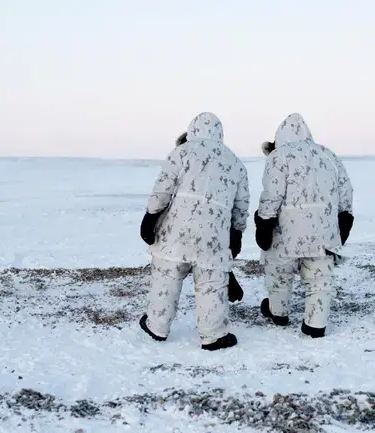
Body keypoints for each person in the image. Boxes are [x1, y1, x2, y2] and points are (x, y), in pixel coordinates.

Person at [138, 112, 250, 351]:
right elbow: (241, 206)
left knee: (166, 276)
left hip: (175, 231)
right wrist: (236, 232)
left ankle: (156, 326)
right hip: (214, 236)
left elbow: (163, 189)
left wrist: (150, 216)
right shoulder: (235, 163)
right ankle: (214, 336)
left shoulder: (181, 152)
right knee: (211, 283)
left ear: (192, 131)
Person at [254, 113, 354, 338]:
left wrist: (264, 221)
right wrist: (345, 217)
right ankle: (315, 325)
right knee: (320, 277)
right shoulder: (327, 155)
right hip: (323, 229)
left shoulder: (279, 156)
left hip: (287, 230)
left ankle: (278, 313)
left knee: (279, 270)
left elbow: (272, 193)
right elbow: (345, 190)